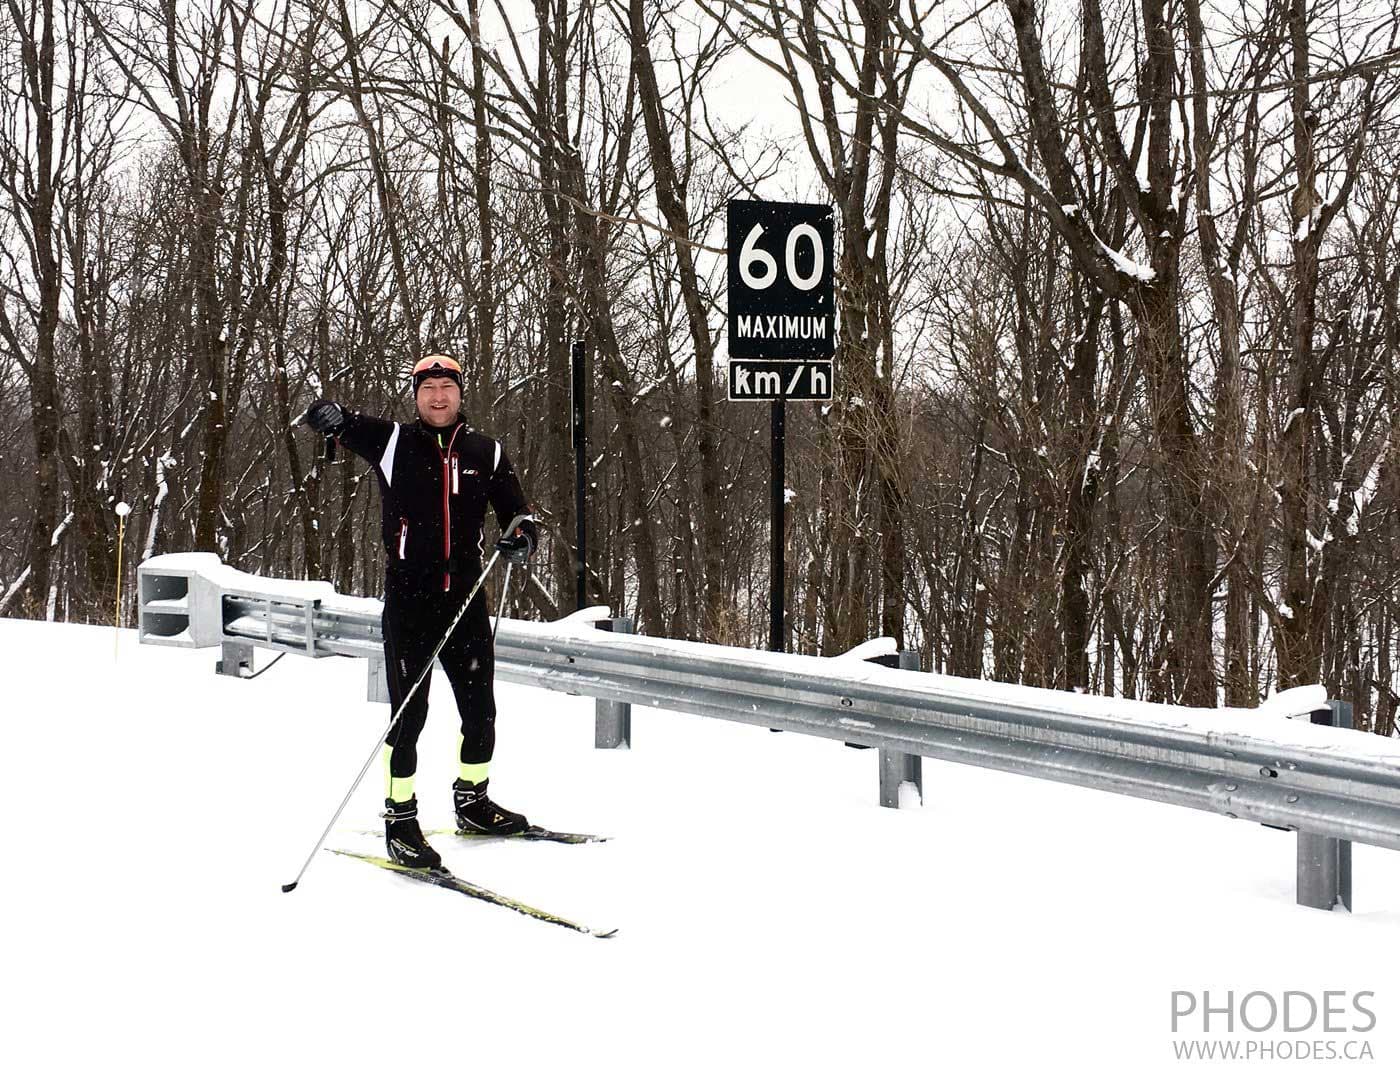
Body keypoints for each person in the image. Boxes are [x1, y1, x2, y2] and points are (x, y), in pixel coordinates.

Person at [304, 354, 539, 870]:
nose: (438, 396)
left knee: (480, 712)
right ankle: (400, 819)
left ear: (461, 394)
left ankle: (473, 802)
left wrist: (522, 536)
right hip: (411, 600)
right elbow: (339, 420)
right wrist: (327, 414)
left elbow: (518, 513)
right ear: (415, 395)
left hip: (467, 598)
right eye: (428, 387)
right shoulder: (392, 442)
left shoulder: (488, 452)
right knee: (410, 715)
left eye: (446, 388)